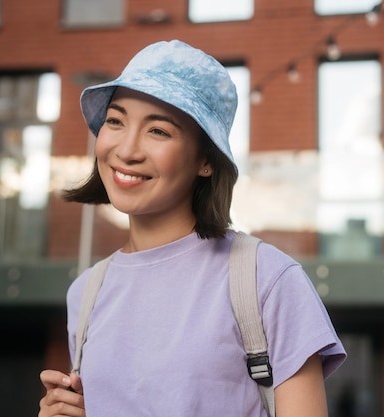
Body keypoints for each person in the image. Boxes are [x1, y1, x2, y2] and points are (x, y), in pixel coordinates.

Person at [39, 40, 346, 417]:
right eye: (115, 121)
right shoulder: (85, 293)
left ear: (206, 160)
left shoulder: (267, 279)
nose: (127, 149)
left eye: (158, 131)